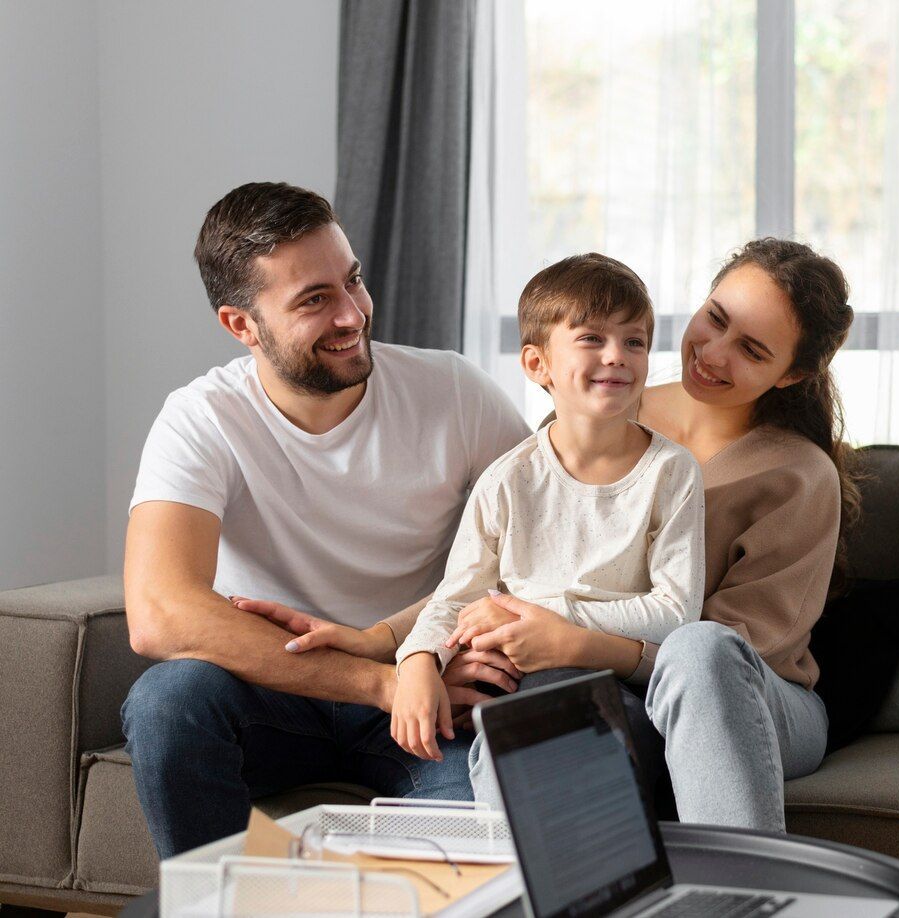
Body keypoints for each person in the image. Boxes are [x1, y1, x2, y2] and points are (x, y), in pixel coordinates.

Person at [240, 237, 857, 833]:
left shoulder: (797, 477)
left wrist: (566, 639)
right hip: (614, 688)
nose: (714, 352)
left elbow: (714, 647)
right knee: (529, 721)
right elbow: (505, 579)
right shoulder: (602, 408)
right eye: (714, 319)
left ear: (791, 373)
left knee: (699, 652)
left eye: (752, 350)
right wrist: (386, 642)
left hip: (749, 697)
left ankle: (739, 899)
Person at [119, 182, 530, 858]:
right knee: (169, 701)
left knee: (470, 842)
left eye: (354, 281)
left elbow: (541, 547)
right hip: (274, 693)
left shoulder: (454, 393)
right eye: (314, 300)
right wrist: (375, 681)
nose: (352, 315)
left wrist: (426, 657)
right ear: (241, 325)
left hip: (420, 689)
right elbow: (160, 612)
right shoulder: (201, 419)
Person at [390, 253, 705, 770]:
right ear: (538, 364)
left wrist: (544, 616)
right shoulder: (507, 480)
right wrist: (418, 662)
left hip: (621, 682)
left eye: (634, 341)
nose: (616, 355)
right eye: (591, 338)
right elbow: (456, 599)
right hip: (518, 680)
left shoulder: (671, 472)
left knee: (576, 733)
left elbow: (675, 615)